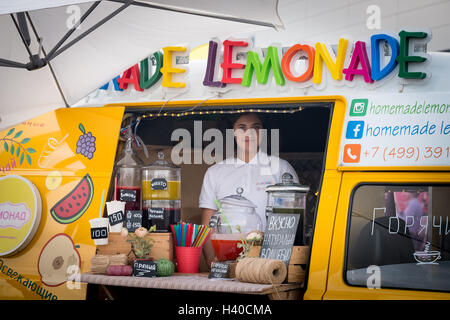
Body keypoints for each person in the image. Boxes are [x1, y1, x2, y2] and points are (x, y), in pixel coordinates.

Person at [199, 112, 299, 266]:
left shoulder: (281, 168)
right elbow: (208, 223)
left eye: (256, 127)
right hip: (227, 258)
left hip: (268, 259)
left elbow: (291, 220)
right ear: (232, 132)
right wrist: (211, 261)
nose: (249, 133)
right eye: (241, 127)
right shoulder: (215, 172)